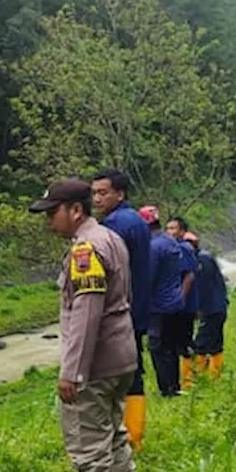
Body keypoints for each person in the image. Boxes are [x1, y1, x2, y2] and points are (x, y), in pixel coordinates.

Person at [29, 178, 139, 472]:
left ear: (75, 210)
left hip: (97, 363)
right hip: (121, 354)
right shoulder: (110, 238)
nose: (48, 222)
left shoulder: (86, 249)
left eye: (52, 213)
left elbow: (86, 314)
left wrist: (72, 372)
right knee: (113, 434)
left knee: (87, 438)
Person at [90, 168, 151, 452]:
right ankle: (135, 434)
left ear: (120, 193)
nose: (97, 199)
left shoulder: (114, 226)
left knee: (118, 374)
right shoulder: (136, 220)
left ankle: (126, 439)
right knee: (134, 367)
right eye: (94, 193)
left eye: (103, 193)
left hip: (122, 308)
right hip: (138, 305)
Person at [140, 205, 186, 397]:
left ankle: (165, 389)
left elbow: (149, 278)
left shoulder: (153, 247)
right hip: (175, 303)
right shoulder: (170, 242)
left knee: (157, 348)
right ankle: (175, 385)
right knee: (171, 347)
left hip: (159, 305)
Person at [184, 232, 229, 379]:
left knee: (201, 343)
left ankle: (193, 378)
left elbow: (204, 287)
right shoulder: (200, 257)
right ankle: (214, 376)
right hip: (218, 307)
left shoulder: (202, 260)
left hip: (212, 308)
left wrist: (199, 308)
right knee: (215, 342)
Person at [165, 217, 200, 389]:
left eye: (173, 228)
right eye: (168, 228)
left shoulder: (183, 249)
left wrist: (179, 300)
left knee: (183, 342)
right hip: (181, 304)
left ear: (182, 231)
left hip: (184, 307)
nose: (170, 232)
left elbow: (189, 276)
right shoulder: (175, 248)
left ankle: (188, 380)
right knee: (178, 341)